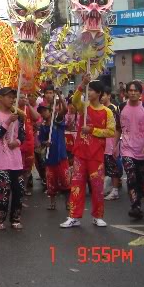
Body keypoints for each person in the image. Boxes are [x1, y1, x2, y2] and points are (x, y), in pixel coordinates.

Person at [61, 76, 115, 228]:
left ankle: (98, 216)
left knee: (97, 187)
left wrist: (92, 130)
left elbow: (111, 131)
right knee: (77, 185)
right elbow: (74, 100)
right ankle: (74, 216)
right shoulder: (83, 107)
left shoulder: (107, 112)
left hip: (96, 154)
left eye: (91, 90)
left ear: (98, 93)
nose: (88, 92)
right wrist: (82, 84)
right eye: (88, 89)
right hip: (80, 153)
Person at [0, 87, 25, 230]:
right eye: (9, 96)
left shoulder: (18, 116)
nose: (12, 99)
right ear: (0, 97)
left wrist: (17, 142)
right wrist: (8, 121)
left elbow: (22, 135)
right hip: (1, 161)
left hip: (16, 160)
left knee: (18, 190)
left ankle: (15, 218)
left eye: (13, 97)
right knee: (3, 191)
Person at [115, 81, 144, 220]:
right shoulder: (121, 107)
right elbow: (118, 128)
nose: (132, 93)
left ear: (140, 92)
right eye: (130, 90)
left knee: (140, 178)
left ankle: (139, 199)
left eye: (135, 90)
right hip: (126, 148)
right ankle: (135, 206)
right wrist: (114, 146)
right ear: (126, 92)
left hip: (143, 148)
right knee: (131, 176)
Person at [39, 97, 70, 211]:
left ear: (50, 111)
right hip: (50, 158)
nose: (43, 113)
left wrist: (60, 97)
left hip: (61, 156)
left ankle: (68, 202)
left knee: (65, 181)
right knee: (51, 182)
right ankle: (52, 203)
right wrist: (44, 143)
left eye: (45, 110)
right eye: (41, 111)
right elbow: (41, 140)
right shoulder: (42, 126)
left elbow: (65, 109)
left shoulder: (57, 119)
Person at [101, 86, 123, 201]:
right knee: (107, 167)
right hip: (104, 143)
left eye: (103, 95)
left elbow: (116, 127)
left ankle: (115, 191)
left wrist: (115, 144)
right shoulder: (102, 108)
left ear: (109, 95)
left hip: (111, 142)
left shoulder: (112, 109)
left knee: (113, 166)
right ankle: (110, 188)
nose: (101, 97)